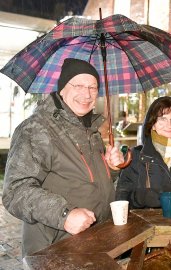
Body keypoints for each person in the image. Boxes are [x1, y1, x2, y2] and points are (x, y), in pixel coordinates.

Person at [2, 58, 124, 257]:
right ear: (62, 89)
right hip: (55, 250)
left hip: (93, 244)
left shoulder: (90, 130)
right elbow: (15, 191)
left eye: (93, 87)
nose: (87, 94)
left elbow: (84, 179)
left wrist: (111, 169)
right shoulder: (37, 129)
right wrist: (64, 215)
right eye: (78, 85)